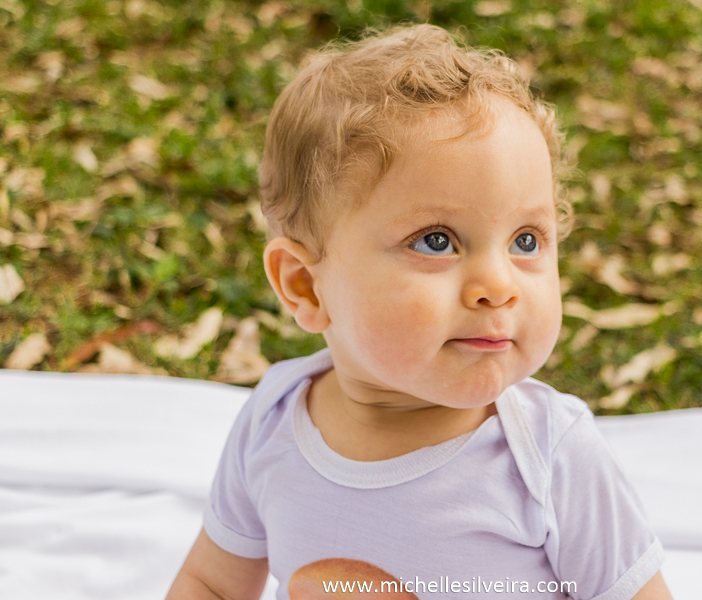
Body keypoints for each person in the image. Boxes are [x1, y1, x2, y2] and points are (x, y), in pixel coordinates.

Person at [166, 23, 673, 600]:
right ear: (306, 286)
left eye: (526, 241)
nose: (498, 286)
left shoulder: (548, 455)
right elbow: (212, 583)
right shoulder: (273, 422)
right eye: (437, 241)